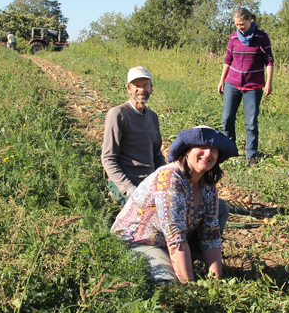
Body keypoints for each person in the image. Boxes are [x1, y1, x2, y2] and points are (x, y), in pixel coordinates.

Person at [111, 127, 238, 283]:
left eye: (213, 149)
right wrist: (190, 288)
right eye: (202, 147)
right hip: (138, 242)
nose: (207, 153)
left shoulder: (207, 183)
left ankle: (185, 264)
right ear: (187, 151)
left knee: (221, 208)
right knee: (169, 283)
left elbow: (210, 235)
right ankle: (179, 269)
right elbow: (175, 238)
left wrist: (217, 282)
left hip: (166, 241)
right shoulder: (170, 178)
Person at [102, 66, 167, 206]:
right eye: (137, 85)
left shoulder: (153, 117)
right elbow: (108, 158)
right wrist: (129, 188)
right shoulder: (118, 114)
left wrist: (166, 177)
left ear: (151, 88)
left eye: (146, 85)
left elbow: (157, 155)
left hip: (149, 184)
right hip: (124, 184)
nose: (142, 89)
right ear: (128, 89)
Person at [218, 7, 274, 165]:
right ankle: (229, 151)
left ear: (250, 20)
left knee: (251, 123)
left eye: (241, 24)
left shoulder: (261, 37)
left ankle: (251, 156)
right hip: (232, 84)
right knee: (227, 119)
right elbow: (227, 59)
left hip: (253, 86)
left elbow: (269, 60)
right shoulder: (233, 38)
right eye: (236, 24)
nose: (239, 27)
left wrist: (268, 82)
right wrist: (222, 80)